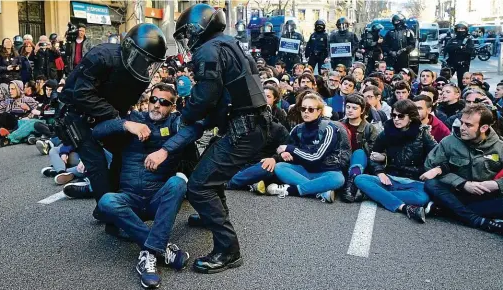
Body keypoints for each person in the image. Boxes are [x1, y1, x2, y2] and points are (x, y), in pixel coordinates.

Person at [171, 4, 271, 273]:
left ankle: (228, 251)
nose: (187, 40)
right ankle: (210, 215)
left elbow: (205, 96)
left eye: (187, 33)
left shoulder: (207, 50)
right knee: (209, 175)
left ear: (197, 28)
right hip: (250, 124)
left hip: (244, 127)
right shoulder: (229, 43)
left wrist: (186, 115)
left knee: (199, 186)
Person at [58, 23, 167, 217]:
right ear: (129, 49)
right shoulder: (101, 56)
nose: (145, 65)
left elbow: (125, 104)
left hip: (108, 115)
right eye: (142, 58)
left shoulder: (140, 74)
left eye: (150, 61)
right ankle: (109, 215)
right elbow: (81, 94)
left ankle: (114, 199)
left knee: (124, 150)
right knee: (96, 162)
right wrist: (116, 118)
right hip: (76, 114)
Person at [94, 84, 191, 288]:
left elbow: (191, 130)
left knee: (178, 182)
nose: (157, 105)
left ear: (172, 107)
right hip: (131, 199)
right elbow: (97, 131)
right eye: (153, 100)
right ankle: (160, 248)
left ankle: (148, 256)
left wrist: (164, 150)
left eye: (164, 103)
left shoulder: (175, 123)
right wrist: (127, 125)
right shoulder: (135, 118)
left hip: (158, 199)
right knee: (106, 201)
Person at [424, 104, 503, 235]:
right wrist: (463, 184)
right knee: (431, 184)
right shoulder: (449, 142)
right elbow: (430, 166)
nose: (462, 128)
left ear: (484, 128)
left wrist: (496, 184)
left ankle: (445, 211)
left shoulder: (499, 147)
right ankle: (476, 220)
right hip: (456, 193)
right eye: (462, 123)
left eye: (468, 125)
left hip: (484, 197)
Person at [354, 99, 438, 223]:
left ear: (410, 117)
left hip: (414, 181)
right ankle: (405, 208)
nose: (396, 119)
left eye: (400, 116)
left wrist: (434, 170)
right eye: (393, 115)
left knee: (422, 198)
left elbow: (438, 155)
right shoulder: (386, 133)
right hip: (390, 178)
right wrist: (380, 172)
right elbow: (373, 157)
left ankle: (372, 195)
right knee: (360, 179)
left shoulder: (423, 134)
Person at [266, 93, 350, 202]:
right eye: (303, 108)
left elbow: (315, 157)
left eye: (311, 109)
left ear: (319, 111)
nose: (306, 111)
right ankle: (319, 191)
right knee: (280, 167)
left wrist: (290, 149)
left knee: (338, 179)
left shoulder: (329, 128)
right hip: (304, 170)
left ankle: (292, 190)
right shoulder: (298, 129)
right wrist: (283, 153)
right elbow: (283, 147)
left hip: (326, 171)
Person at [340, 94, 380, 202]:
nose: (350, 110)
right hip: (342, 160)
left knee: (359, 153)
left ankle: (351, 186)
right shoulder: (339, 125)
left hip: (360, 163)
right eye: (348, 107)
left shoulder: (370, 128)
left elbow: (373, 151)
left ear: (362, 111)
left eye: (354, 108)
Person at [445, 22, 474, 90]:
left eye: (462, 29)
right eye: (459, 29)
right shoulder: (452, 39)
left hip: (463, 64)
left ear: (466, 30)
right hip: (451, 63)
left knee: (462, 83)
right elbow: (447, 48)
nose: (460, 31)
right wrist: (460, 47)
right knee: (445, 80)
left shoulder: (469, 40)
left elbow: (470, 51)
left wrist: (457, 49)